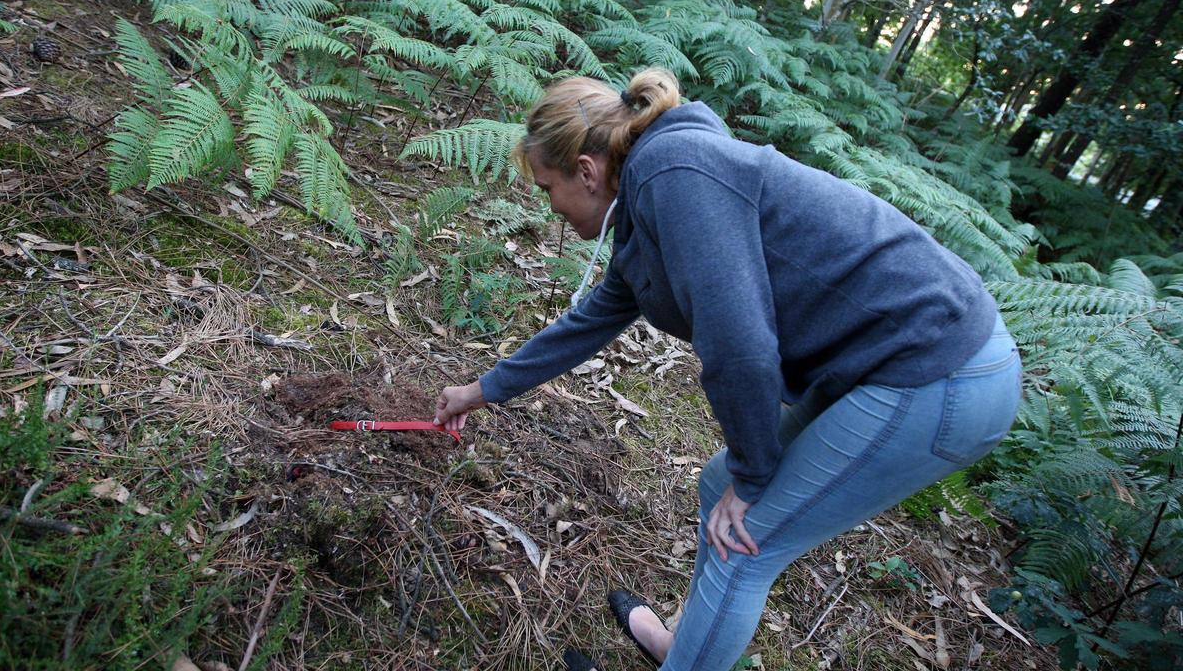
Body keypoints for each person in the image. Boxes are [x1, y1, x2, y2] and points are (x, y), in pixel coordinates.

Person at [433, 68, 1022, 670]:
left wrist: (757, 472)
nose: (549, 206)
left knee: (746, 541)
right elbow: (592, 319)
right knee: (721, 489)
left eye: (546, 187)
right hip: (895, 359)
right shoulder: (651, 201)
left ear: (586, 171)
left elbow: (738, 344)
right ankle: (683, 648)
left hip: (942, 369)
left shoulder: (678, 176)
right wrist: (481, 391)